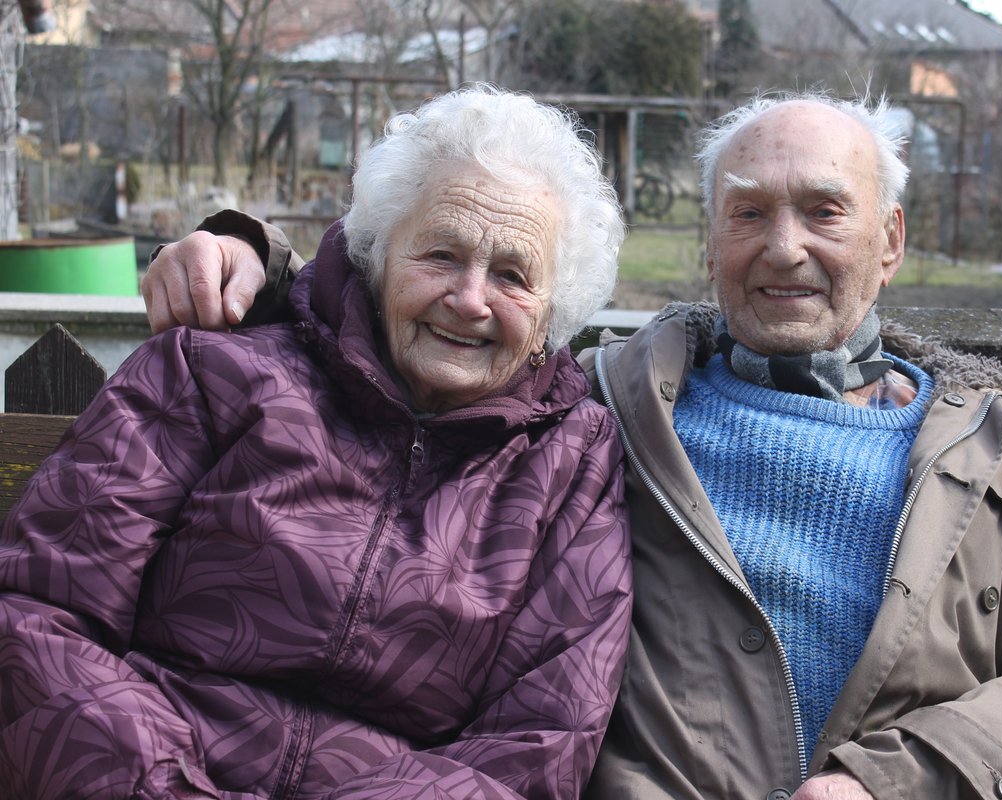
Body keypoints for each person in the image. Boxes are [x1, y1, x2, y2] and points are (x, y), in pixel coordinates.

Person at [142, 90, 1002, 799]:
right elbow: (415, 310)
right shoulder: (595, 407)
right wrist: (247, 251)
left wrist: (896, 781)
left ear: (891, 240)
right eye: (749, 212)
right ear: (710, 240)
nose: (785, 247)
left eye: (825, 210)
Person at [0, 86, 634, 800]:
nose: (470, 297)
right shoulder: (212, 373)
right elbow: (43, 611)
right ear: (378, 253)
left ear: (554, 311)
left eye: (512, 275)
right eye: (440, 254)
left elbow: (539, 740)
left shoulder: (569, 463)